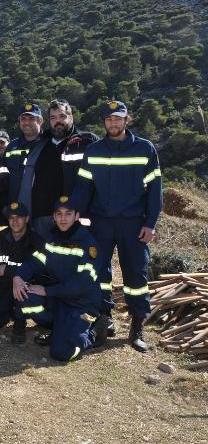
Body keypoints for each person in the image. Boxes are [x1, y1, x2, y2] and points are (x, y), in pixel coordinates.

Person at [72, 100, 162, 352]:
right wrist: (76, 213)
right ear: (104, 121)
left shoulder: (145, 148)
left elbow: (155, 189)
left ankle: (137, 327)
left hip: (133, 223)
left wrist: (150, 223)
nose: (113, 123)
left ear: (126, 120)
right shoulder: (94, 150)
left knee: (136, 275)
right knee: (99, 272)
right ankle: (104, 319)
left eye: (118, 118)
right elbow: (83, 186)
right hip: (100, 222)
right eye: (109, 119)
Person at [12, 196, 110, 362]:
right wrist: (18, 276)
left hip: (80, 304)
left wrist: (47, 290)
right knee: (24, 295)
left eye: (68, 214)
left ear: (76, 216)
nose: (63, 219)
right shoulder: (52, 239)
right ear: (54, 216)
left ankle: (94, 332)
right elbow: (35, 261)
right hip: (58, 299)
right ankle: (59, 330)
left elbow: (82, 283)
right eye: (59, 214)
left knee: (62, 353)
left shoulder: (88, 244)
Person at [30, 99, 99, 236]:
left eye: (62, 116)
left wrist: (88, 212)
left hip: (77, 216)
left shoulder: (88, 142)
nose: (58, 121)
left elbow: (101, 179)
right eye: (53, 118)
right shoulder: (39, 144)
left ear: (71, 117)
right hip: (43, 217)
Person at [0, 202, 42, 341]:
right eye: (11, 218)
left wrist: (9, 270)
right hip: (2, 288)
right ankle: (5, 315)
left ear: (27, 219)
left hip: (25, 289)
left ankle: (20, 322)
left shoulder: (37, 242)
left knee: (22, 291)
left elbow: (40, 273)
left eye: (19, 217)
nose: (15, 221)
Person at [5, 103, 45, 211]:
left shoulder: (49, 145)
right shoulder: (11, 146)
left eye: (31, 119)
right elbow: (4, 178)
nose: (26, 122)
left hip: (42, 209)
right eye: (23, 119)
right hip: (15, 209)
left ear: (40, 121)